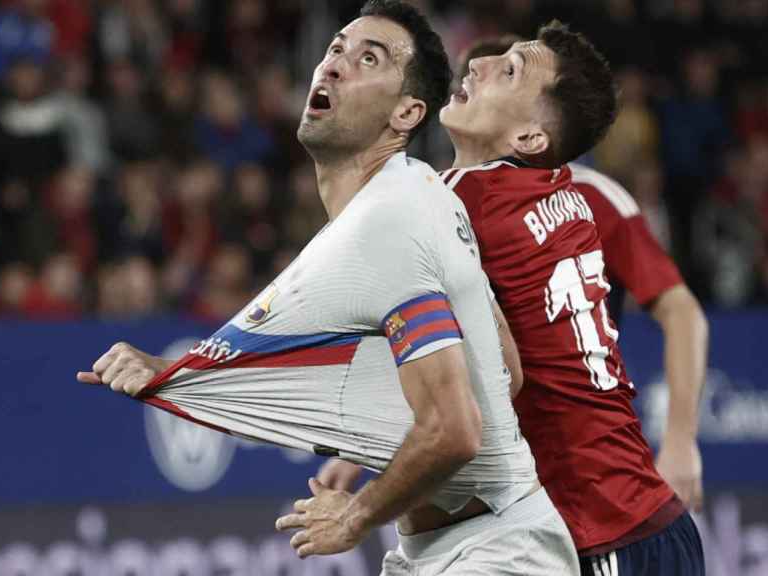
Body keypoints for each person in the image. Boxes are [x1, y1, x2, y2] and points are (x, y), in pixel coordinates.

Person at [76, 2, 578, 574]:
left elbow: (456, 429)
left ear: (408, 112)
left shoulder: (389, 221)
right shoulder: (419, 192)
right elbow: (504, 370)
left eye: (370, 58)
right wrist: (378, 442)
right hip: (457, 544)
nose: (334, 65)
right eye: (337, 47)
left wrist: (355, 516)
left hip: (496, 553)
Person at [319, 30, 707, 575]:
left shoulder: (456, 205)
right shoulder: (572, 192)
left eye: (508, 70)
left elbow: (498, 372)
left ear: (529, 136)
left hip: (594, 529)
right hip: (637, 519)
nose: (477, 66)